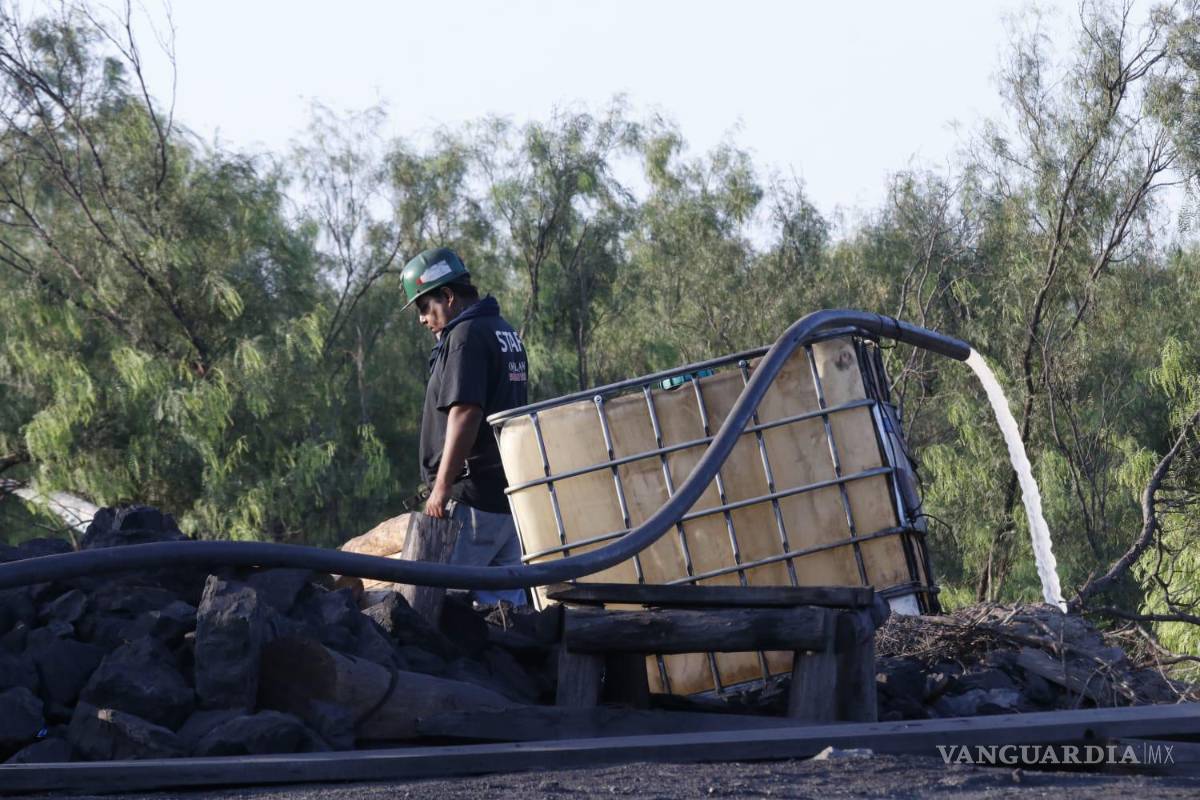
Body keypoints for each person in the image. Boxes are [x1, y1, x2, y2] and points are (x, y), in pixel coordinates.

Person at [401, 246, 529, 606]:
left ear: (448, 295)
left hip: (472, 502)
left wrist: (440, 490)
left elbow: (466, 413)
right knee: (504, 613)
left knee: (436, 604)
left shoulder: (466, 336)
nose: (423, 319)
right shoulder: (504, 331)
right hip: (507, 498)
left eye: (425, 307)